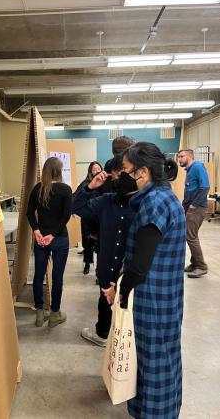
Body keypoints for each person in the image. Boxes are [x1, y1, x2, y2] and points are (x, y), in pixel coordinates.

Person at [102, 142, 186, 419]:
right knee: (161, 358)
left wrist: (121, 292)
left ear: (143, 172)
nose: (122, 176)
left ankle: (156, 414)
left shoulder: (154, 202)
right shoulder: (164, 195)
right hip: (166, 295)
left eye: (126, 170)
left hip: (152, 299)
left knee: (154, 364)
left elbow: (140, 265)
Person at [72, 154, 135, 347]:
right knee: (105, 302)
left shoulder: (143, 203)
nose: (115, 183)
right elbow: (76, 207)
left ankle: (125, 340)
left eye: (117, 177)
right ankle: (102, 333)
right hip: (107, 267)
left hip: (130, 270)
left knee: (129, 307)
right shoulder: (107, 200)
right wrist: (90, 187)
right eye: (113, 178)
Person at [26, 157, 72, 327]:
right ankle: (54, 314)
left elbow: (29, 213)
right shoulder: (66, 190)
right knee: (57, 277)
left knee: (38, 275)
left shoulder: (38, 189)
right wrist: (52, 235)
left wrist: (37, 231)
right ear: (59, 171)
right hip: (59, 238)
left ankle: (39, 314)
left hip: (40, 239)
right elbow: (65, 216)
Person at [178, 149, 210, 278]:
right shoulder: (190, 170)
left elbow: (205, 187)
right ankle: (195, 263)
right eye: (179, 157)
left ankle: (201, 266)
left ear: (190, 156)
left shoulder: (197, 167)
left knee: (190, 237)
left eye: (181, 156)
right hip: (190, 208)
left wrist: (194, 205)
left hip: (197, 208)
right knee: (192, 236)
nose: (179, 159)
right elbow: (190, 190)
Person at [75, 161, 103, 275]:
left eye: (98, 168)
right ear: (90, 171)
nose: (96, 171)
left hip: (100, 219)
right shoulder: (85, 184)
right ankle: (87, 263)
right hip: (87, 218)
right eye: (94, 169)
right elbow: (77, 197)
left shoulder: (104, 183)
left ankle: (99, 269)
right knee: (87, 244)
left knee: (101, 245)